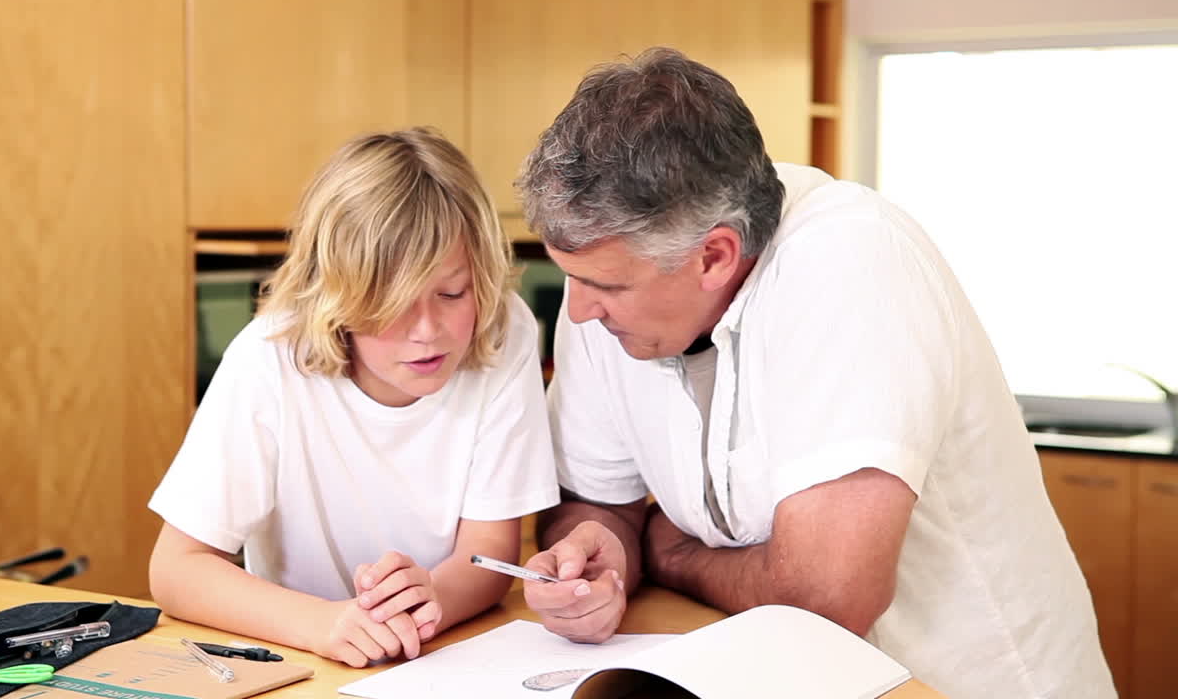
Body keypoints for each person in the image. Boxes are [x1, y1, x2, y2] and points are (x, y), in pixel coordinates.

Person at [516, 48, 1114, 699]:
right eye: (573, 277)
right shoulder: (615, 276)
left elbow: (826, 596)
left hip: (957, 684)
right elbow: (597, 500)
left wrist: (671, 551)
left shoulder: (852, 263)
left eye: (606, 286)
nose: (579, 310)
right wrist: (597, 554)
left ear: (714, 257)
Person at [148, 128, 559, 668]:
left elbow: (489, 555)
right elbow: (176, 568)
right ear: (337, 294)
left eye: (452, 292)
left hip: (433, 655)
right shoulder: (269, 356)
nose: (428, 331)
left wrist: (431, 599)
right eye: (393, 302)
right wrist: (321, 623)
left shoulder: (505, 330)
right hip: (300, 656)